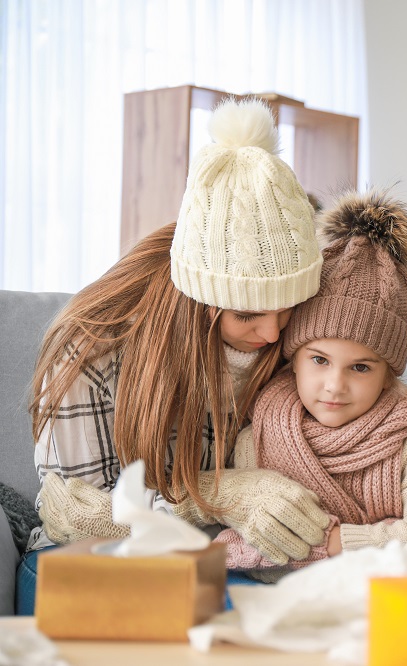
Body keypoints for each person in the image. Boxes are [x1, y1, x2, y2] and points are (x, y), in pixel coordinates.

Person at [18, 98, 329, 613]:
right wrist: (224, 493)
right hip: (83, 563)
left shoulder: (296, 341)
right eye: (247, 313)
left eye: (288, 307)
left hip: (216, 559)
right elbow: (79, 521)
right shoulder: (94, 348)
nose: (273, 332)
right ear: (198, 299)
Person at [213, 189, 407, 580]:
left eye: (360, 368)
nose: (334, 385)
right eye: (319, 360)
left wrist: (327, 541)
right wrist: (387, 543)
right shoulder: (259, 429)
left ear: (388, 373)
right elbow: (256, 550)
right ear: (292, 358)